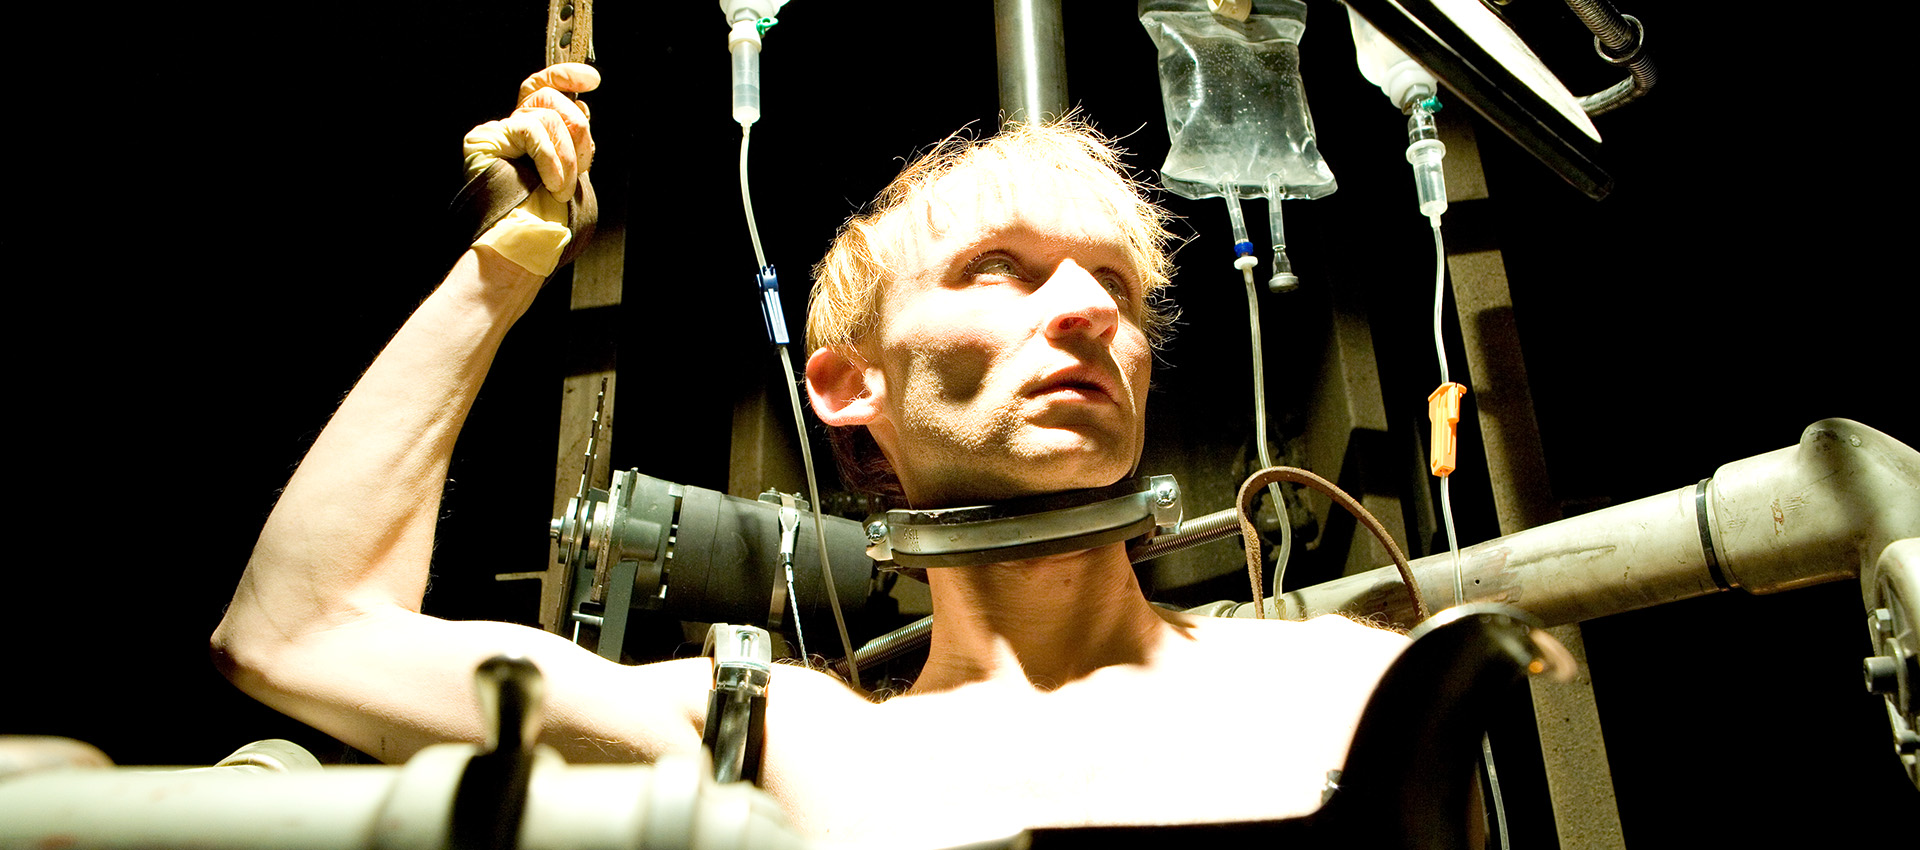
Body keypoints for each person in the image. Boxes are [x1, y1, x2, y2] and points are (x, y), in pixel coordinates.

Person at [212, 66, 1406, 848]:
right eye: (1000, 267)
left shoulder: (1346, 684)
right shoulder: (786, 741)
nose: (1093, 311)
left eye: (1116, 285)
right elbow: (299, 632)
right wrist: (509, 258)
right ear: (847, 384)